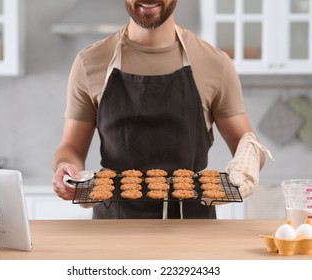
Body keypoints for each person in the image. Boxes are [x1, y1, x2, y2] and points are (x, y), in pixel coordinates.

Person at [52, 0, 267, 219]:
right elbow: (71, 148)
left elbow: (248, 146)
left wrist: (246, 166)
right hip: (114, 228)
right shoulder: (89, 62)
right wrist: (66, 167)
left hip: (192, 228)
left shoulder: (214, 62)